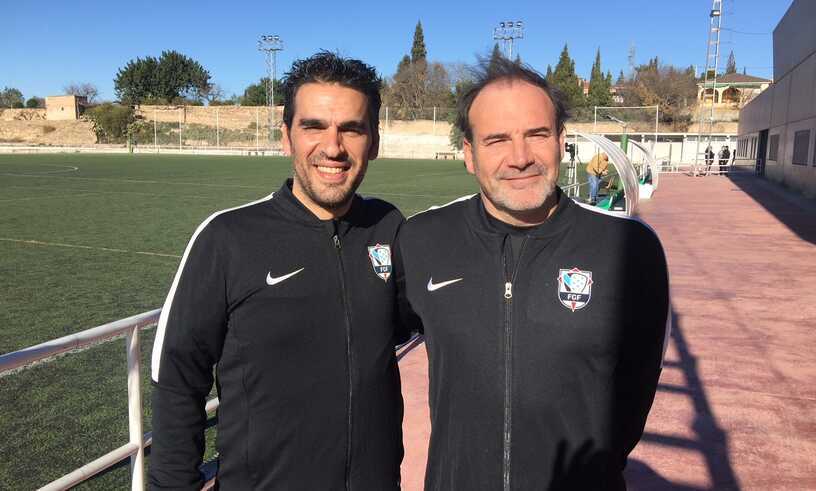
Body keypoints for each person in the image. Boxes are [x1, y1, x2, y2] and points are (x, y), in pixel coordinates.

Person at [396, 57, 670, 490]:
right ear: (469, 153)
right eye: (496, 140)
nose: (520, 158)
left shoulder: (629, 247)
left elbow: (637, 388)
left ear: (561, 141)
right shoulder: (422, 239)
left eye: (537, 135)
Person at [150, 52, 406, 490]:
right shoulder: (227, 237)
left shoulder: (388, 226)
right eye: (314, 127)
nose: (333, 147)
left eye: (351, 128)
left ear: (375, 142)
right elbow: (178, 379)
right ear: (286, 137)